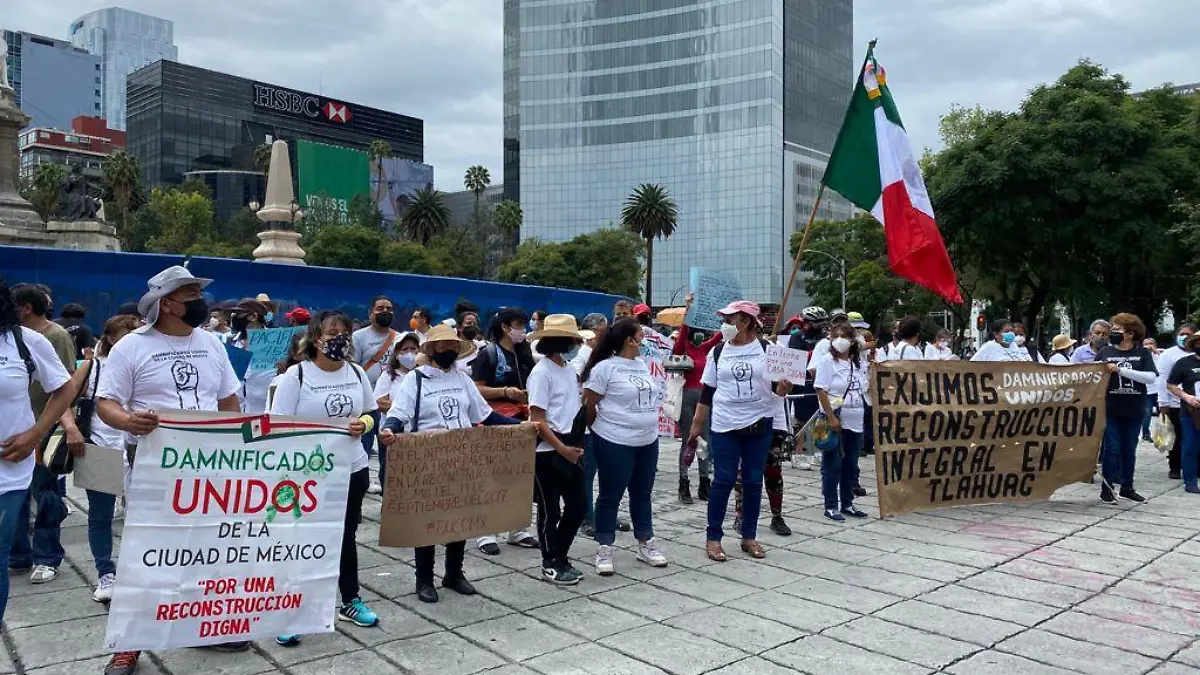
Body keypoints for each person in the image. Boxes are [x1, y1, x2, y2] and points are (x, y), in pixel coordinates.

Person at [95, 266, 249, 675]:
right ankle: (129, 643)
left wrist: (236, 447)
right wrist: (128, 421)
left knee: (209, 548)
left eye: (199, 292)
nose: (201, 301)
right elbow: (106, 402)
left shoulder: (211, 344)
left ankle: (204, 626)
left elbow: (228, 400)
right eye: (192, 294)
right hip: (156, 467)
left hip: (210, 467)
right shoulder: (132, 347)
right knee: (145, 552)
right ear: (166, 304)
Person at [380, 324, 520, 603]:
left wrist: (521, 426)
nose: (449, 350)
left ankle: (454, 573)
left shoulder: (462, 379)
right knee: (427, 521)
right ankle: (424, 578)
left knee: (460, 518)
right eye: (444, 345)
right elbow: (399, 412)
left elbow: (484, 415)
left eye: (453, 346)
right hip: (429, 458)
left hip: (462, 457)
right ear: (432, 349)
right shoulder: (416, 380)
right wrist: (390, 428)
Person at [271, 311, 379, 646]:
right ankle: (290, 611)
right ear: (315, 338)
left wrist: (364, 425)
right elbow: (278, 424)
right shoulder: (296, 376)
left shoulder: (356, 372)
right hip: (307, 477)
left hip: (352, 469)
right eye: (332, 333)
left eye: (345, 332)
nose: (340, 339)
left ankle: (350, 600)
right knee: (300, 540)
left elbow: (371, 412)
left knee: (345, 537)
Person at [687, 301, 793, 562]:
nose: (724, 325)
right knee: (723, 479)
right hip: (725, 425)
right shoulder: (718, 351)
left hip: (759, 423)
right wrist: (696, 425)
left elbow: (778, 389)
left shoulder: (769, 350)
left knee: (753, 481)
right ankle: (713, 538)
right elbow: (707, 391)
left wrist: (784, 387)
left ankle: (749, 536)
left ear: (745, 322)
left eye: (729, 320)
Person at [0, 275, 75, 625]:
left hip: (8, 470)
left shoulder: (25, 341)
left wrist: (36, 434)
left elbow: (64, 387)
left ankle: (43, 556)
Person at [583, 318, 668, 574]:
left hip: (647, 440)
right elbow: (590, 405)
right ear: (629, 340)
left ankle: (645, 542)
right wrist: (598, 432)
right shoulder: (605, 368)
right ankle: (604, 546)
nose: (645, 339)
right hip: (614, 440)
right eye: (641, 335)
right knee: (610, 494)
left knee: (642, 493)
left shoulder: (641, 364)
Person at [79, 314, 140, 604]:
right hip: (101, 446)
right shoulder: (93, 368)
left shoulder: (144, 364)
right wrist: (71, 430)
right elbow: (62, 399)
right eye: (129, 334)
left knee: (141, 516)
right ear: (112, 338)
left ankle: (137, 571)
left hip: (138, 449)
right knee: (101, 515)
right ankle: (106, 572)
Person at [471, 308, 539, 554]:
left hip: (522, 420)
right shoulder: (488, 354)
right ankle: (485, 532)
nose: (523, 329)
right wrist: (504, 392)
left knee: (520, 476)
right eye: (518, 324)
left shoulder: (524, 353)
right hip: (495, 420)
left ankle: (517, 528)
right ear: (504, 327)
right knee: (491, 477)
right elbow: (476, 388)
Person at [526, 315, 589, 585]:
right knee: (550, 510)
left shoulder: (569, 369)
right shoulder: (542, 372)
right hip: (547, 450)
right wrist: (561, 448)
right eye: (572, 339)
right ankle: (549, 561)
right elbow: (538, 419)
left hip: (572, 444)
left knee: (578, 505)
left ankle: (560, 555)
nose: (576, 344)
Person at [1095, 313, 1157, 504]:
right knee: (1111, 448)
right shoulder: (1105, 352)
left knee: (1129, 449)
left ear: (1130, 333)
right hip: (1110, 408)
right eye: (1113, 329)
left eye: (1118, 330)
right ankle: (1107, 489)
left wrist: (1121, 370)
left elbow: (1150, 378)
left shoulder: (1142, 353)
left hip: (1134, 408)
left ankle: (1127, 487)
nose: (1114, 332)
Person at [813, 322, 870, 521]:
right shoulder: (827, 362)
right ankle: (830, 505)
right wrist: (831, 416)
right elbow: (821, 390)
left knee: (851, 464)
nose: (839, 340)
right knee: (832, 464)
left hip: (856, 418)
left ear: (852, 340)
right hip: (835, 419)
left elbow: (865, 387)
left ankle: (847, 502)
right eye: (835, 335)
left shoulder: (858, 363)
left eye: (844, 336)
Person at [671, 294, 721, 503]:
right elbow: (683, 334)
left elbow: (719, 335)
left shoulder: (704, 348)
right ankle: (684, 483)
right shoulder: (683, 348)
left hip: (704, 400)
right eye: (696, 330)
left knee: (705, 442)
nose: (700, 334)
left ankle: (704, 483)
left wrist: (726, 314)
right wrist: (688, 310)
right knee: (688, 440)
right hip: (687, 398)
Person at [353, 296, 399, 495]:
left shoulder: (399, 338)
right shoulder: (358, 337)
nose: (385, 312)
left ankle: (386, 489)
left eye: (389, 308)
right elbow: (352, 369)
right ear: (371, 313)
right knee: (362, 448)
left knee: (387, 453)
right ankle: (359, 489)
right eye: (380, 308)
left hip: (390, 407)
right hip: (366, 406)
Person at [371, 332, 421, 492]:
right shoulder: (388, 376)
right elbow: (378, 402)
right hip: (391, 432)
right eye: (405, 349)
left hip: (417, 433)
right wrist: (403, 407)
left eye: (414, 348)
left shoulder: (423, 374)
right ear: (397, 353)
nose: (410, 353)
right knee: (390, 473)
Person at [1157, 323, 1196, 480]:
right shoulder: (1168, 354)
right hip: (1173, 402)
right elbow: (1162, 379)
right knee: (1176, 437)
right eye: (1182, 334)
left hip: (1195, 403)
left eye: (1188, 334)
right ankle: (1175, 466)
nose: (1184, 337)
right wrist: (1162, 402)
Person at [224, 298, 273, 414]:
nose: (235, 317)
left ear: (253, 316)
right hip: (236, 413)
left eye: (239, 314)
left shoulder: (275, 343)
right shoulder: (231, 342)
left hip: (266, 414)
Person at [1166, 332, 1200, 495]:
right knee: (1190, 446)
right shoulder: (1184, 363)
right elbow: (1171, 385)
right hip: (1191, 411)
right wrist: (1187, 397)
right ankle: (1190, 481)